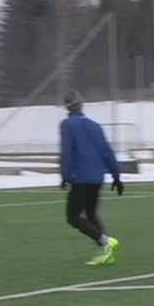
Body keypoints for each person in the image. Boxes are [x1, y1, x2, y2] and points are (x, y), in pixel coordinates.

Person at [59, 90, 124, 265]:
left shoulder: (67, 125)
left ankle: (106, 241)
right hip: (97, 177)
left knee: (73, 217)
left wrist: (65, 175)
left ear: (67, 108)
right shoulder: (95, 126)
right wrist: (116, 175)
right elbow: (106, 151)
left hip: (81, 177)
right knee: (91, 214)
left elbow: (67, 152)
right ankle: (105, 252)